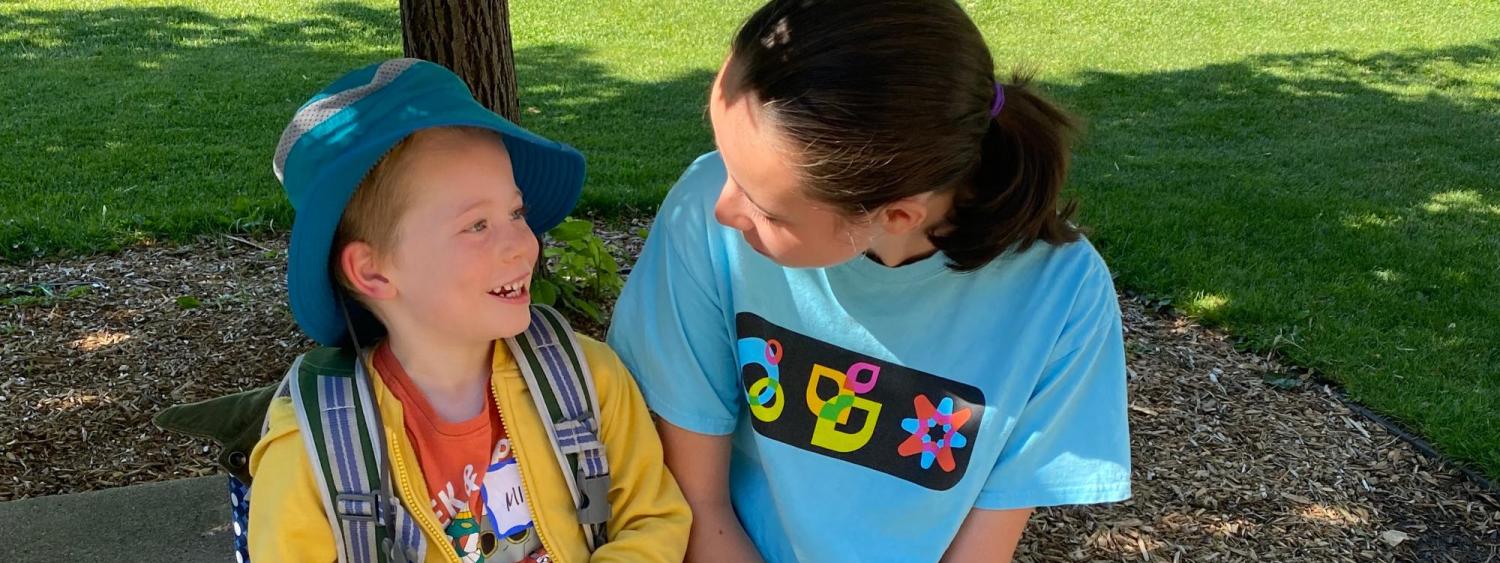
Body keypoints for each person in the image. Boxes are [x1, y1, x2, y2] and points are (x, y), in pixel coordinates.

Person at [607, 1, 1131, 560]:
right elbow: (692, 501)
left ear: (897, 216)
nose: (723, 208)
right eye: (727, 160)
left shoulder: (1062, 296)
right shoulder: (704, 216)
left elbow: (982, 547)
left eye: (768, 210)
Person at [248, 58, 689, 562]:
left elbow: (654, 517)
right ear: (373, 272)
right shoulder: (315, 449)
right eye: (476, 226)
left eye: (516, 212)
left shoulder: (585, 380)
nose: (522, 245)